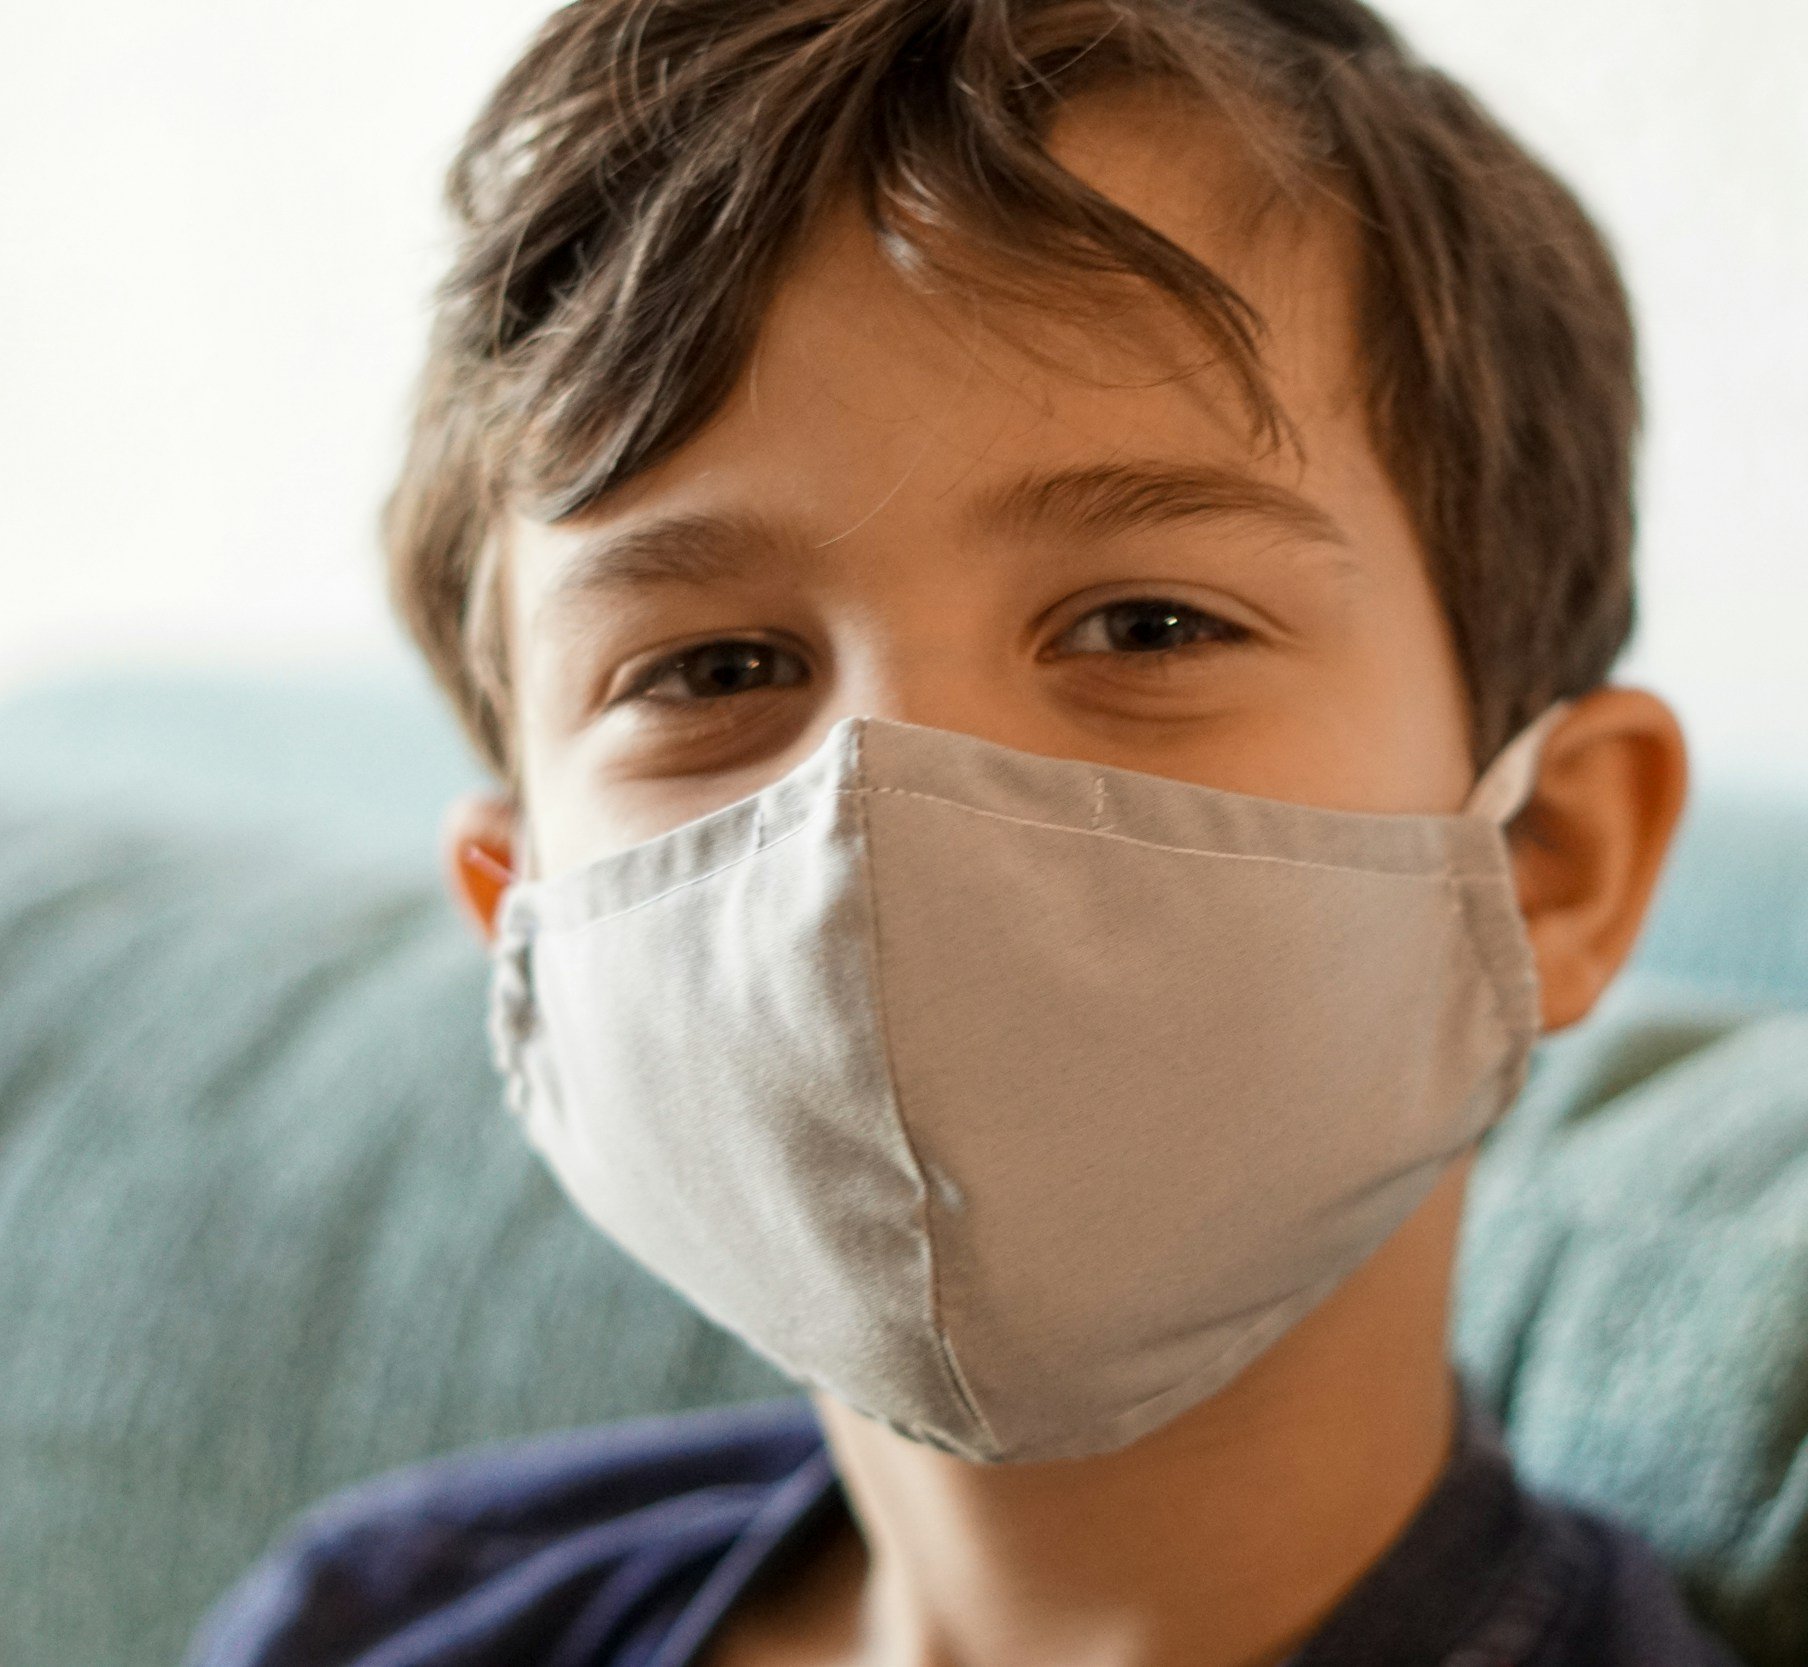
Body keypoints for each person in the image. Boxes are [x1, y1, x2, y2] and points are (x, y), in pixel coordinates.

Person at [186, 0, 1726, 1661]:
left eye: (1148, 626)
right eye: (714, 667)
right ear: (524, 931)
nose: (886, 817)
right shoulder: (377, 1622)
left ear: (1550, 856)